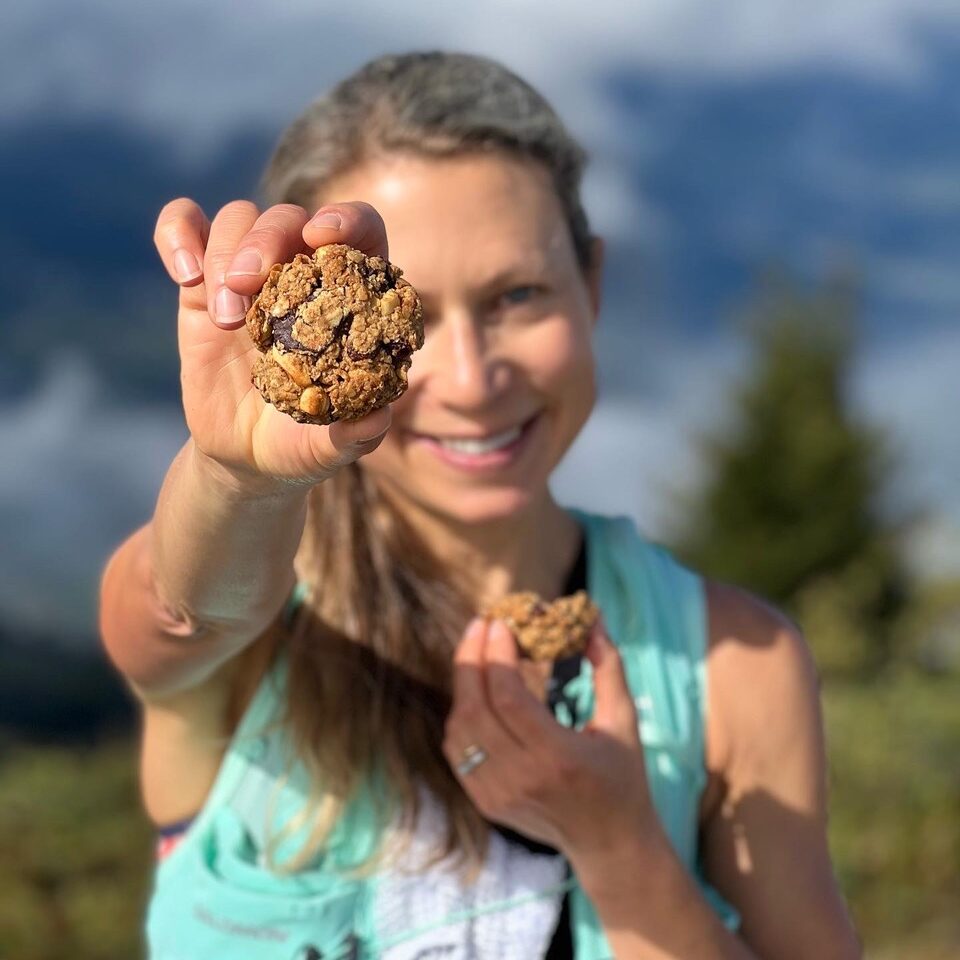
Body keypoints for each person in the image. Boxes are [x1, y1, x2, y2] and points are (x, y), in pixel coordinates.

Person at [99, 52, 863, 959]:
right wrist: (239, 480)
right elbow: (183, 608)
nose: (469, 380)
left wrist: (623, 851)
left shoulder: (737, 669)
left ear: (595, 286)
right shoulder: (254, 620)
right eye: (408, 313)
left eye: (518, 295)